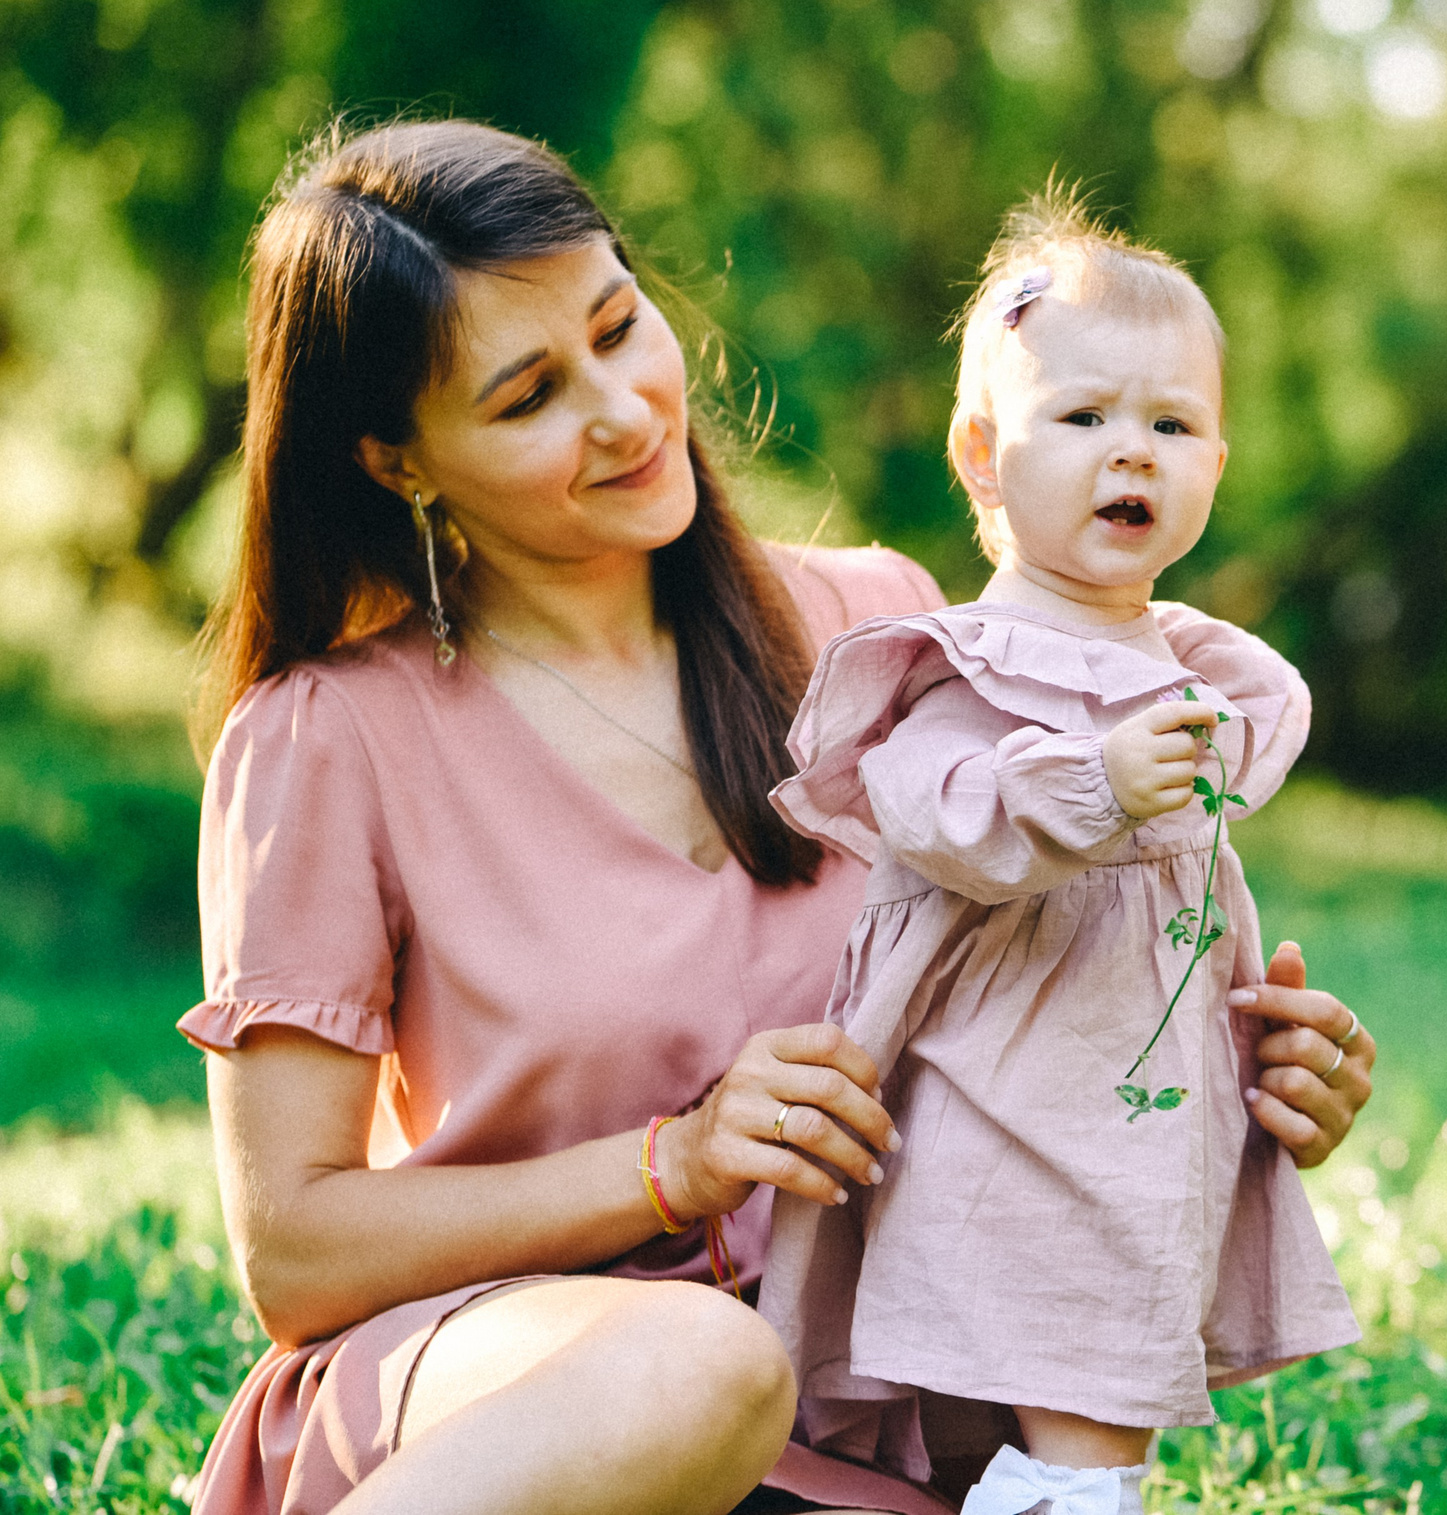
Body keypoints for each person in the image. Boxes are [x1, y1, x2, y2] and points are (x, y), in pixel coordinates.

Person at [182, 119, 1376, 1515]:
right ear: (400, 460)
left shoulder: (889, 632)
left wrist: (1222, 1074)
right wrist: (671, 1166)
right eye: (530, 398)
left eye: (621, 327)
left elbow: (1032, 1015)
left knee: (750, 1380)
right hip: (504, 1409)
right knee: (699, 1366)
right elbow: (298, 1251)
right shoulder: (330, 740)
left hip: (844, 1448)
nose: (626, 410)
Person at [753, 192, 1359, 1515]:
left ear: (1217, 460)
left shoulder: (1191, 668)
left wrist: (1260, 1019)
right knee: (1085, 1404)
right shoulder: (965, 659)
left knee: (1094, 1390)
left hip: (1141, 1100)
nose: (1129, 454)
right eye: (1083, 418)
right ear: (982, 451)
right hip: (1003, 1099)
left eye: (1171, 425)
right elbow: (936, 810)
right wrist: (1093, 784)